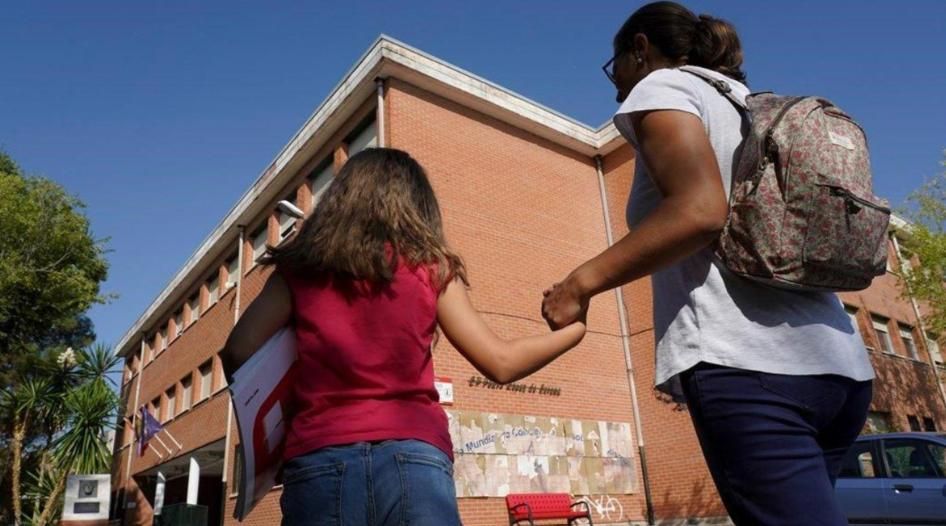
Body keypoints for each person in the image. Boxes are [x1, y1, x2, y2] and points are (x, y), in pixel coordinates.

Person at [541, 2, 873, 524]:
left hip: (751, 366)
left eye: (615, 68)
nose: (615, 86)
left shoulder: (663, 86)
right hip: (841, 368)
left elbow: (698, 212)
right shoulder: (747, 103)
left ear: (641, 49)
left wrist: (580, 283)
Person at [221, 147, 586, 526]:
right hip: (416, 458)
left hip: (320, 456)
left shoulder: (300, 269)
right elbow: (501, 362)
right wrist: (576, 331)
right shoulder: (431, 268)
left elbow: (238, 350)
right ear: (418, 206)